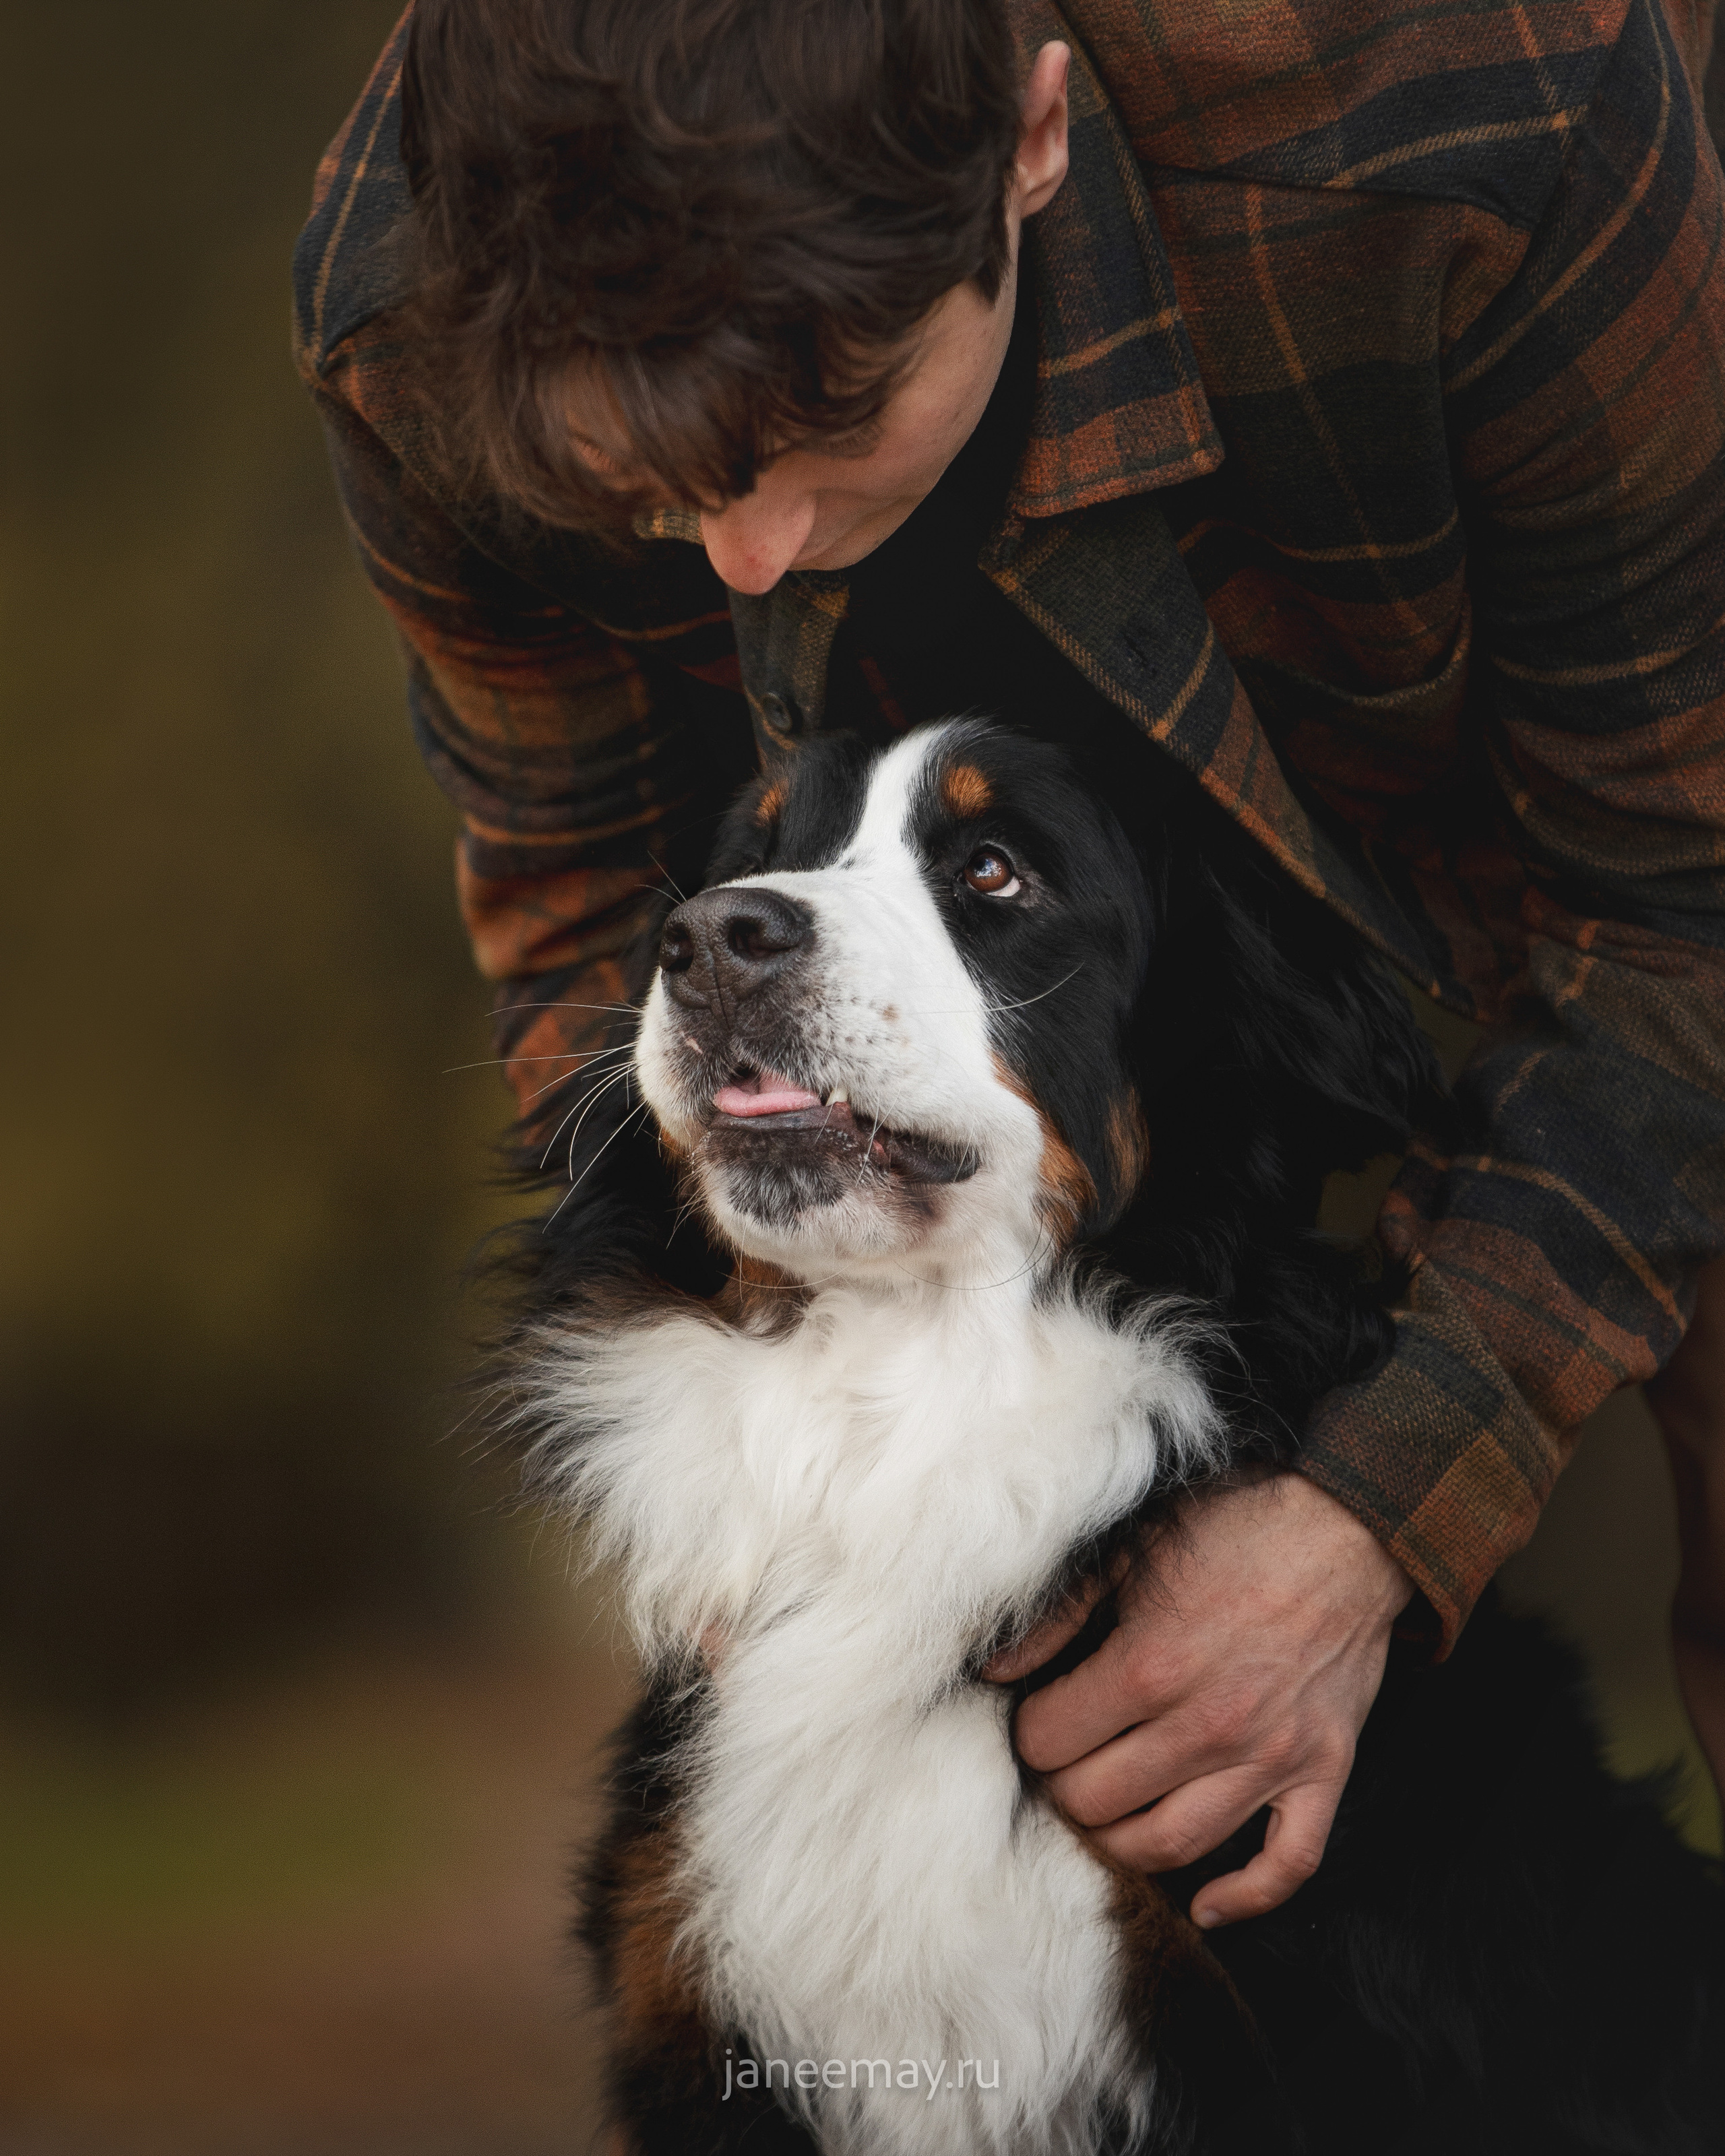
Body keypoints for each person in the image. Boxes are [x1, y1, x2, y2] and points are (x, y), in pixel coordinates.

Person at [294, 0, 1725, 1931]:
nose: (749, 550)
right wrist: (756, 1464)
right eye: (641, 475)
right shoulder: (418, 299)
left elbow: (1678, 907)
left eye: (824, 423)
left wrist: (1364, 1513)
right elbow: (583, 874)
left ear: (1032, 136)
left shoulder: (1481, 97)